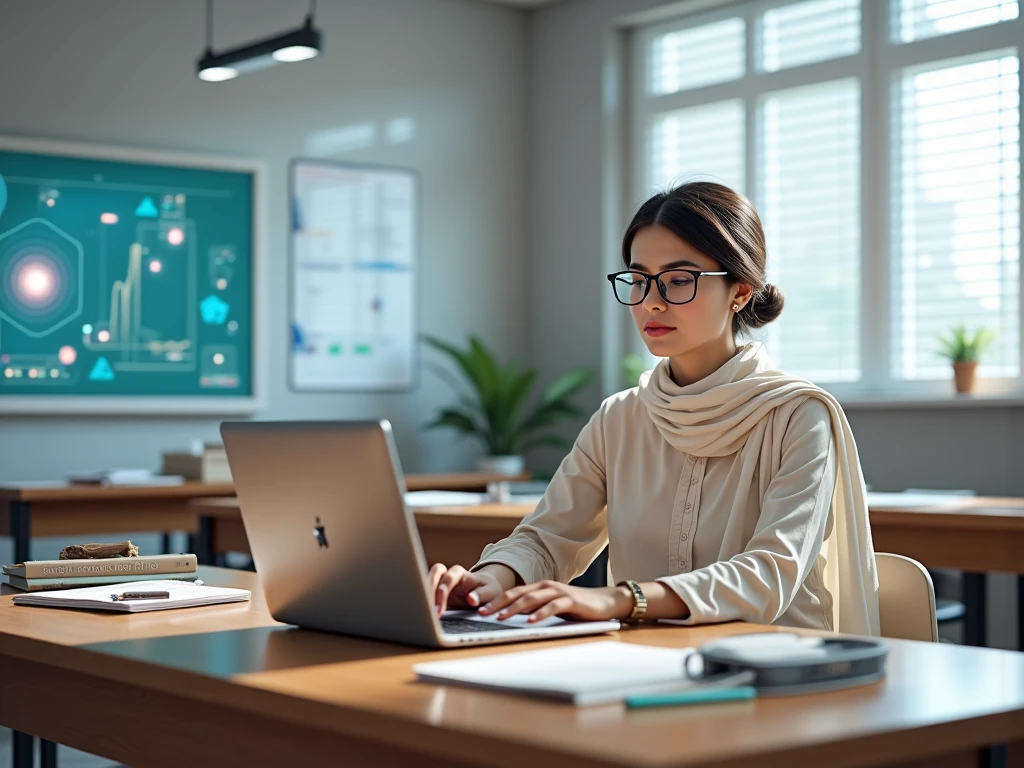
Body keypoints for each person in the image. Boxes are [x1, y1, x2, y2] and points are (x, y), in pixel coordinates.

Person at [429, 181, 879, 636]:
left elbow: (768, 575)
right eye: (639, 279)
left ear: (740, 292)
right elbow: (548, 538)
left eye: (679, 280)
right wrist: (486, 582)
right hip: (644, 664)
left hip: (776, 672)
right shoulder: (619, 418)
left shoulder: (799, 416)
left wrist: (620, 599)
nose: (651, 301)